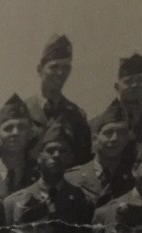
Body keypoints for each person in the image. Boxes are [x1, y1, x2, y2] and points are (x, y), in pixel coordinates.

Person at [3, 121, 93, 233]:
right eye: (50, 150)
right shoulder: (13, 203)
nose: (56, 155)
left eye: (62, 151)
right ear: (39, 156)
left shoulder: (82, 202)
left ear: (70, 157)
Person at [24, 35, 92, 166]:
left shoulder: (77, 116)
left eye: (65, 67)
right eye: (54, 67)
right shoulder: (22, 111)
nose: (60, 73)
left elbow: (83, 163)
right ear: (40, 69)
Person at [65, 101, 135, 207]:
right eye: (108, 132)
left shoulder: (133, 179)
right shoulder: (71, 178)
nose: (115, 138)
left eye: (122, 133)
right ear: (94, 139)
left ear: (127, 140)